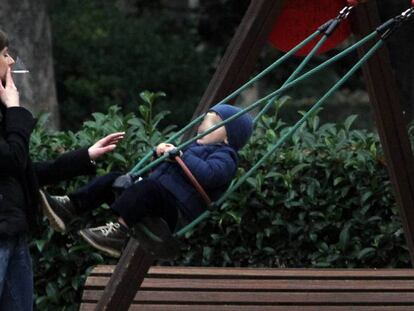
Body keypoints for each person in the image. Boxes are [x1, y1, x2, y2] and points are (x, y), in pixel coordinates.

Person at [0, 29, 124, 310]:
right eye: (5, 54)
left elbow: (22, 171)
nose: (11, 62)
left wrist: (85, 156)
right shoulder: (8, 111)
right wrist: (14, 110)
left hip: (13, 233)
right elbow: (12, 158)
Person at [40, 104, 254, 258]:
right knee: (116, 179)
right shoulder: (193, 147)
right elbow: (167, 173)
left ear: (228, 138)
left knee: (149, 187)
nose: (204, 125)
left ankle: (118, 232)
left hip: (175, 212)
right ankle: (70, 206)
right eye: (206, 119)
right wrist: (160, 156)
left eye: (214, 123)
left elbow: (209, 175)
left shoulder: (226, 157)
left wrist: (179, 155)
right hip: (158, 198)